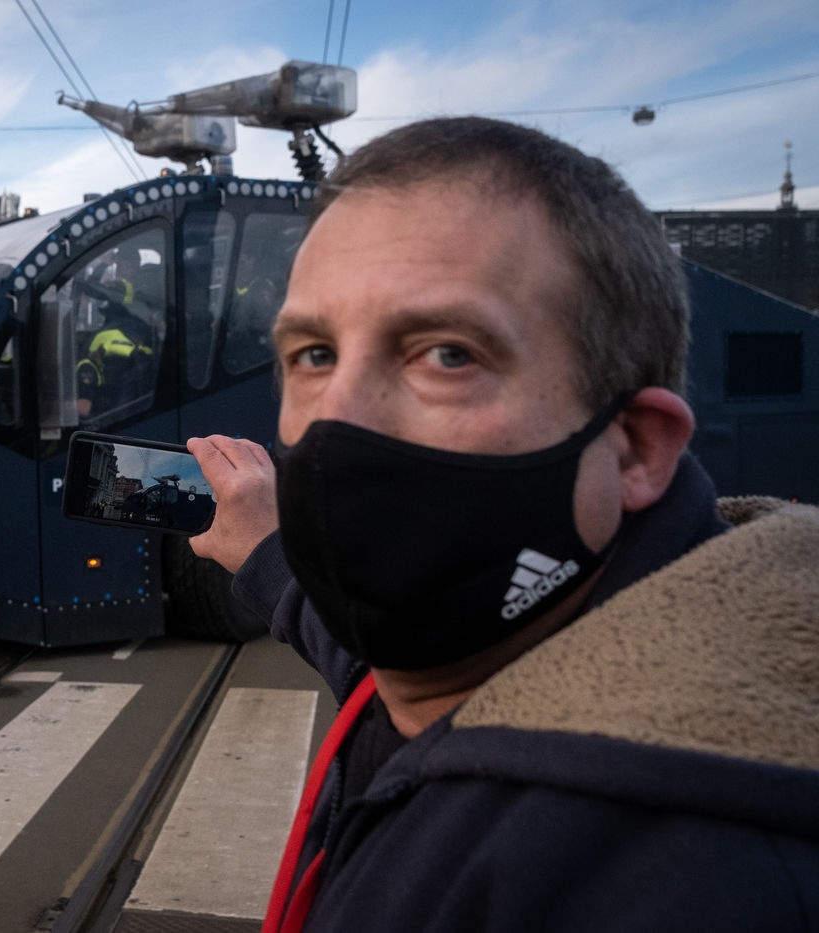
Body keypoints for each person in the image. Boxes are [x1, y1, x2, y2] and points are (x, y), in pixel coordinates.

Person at [187, 117, 819, 931]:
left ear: (633, 449)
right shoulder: (481, 641)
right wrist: (268, 552)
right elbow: (373, 664)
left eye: (448, 353)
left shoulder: (693, 878)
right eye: (314, 354)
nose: (336, 415)